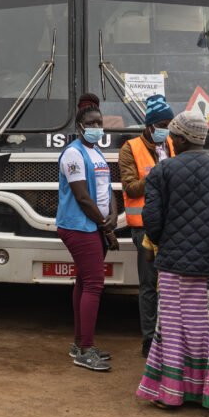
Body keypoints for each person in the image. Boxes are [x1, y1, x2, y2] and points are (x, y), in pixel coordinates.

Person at [135, 112, 209, 412]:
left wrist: (160, 244)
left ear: (182, 139)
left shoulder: (163, 171)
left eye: (173, 135)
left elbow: (152, 222)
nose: (170, 139)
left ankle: (171, 394)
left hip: (171, 268)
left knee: (172, 327)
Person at [56, 95, 118, 371]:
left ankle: (80, 343)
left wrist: (113, 215)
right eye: (91, 123)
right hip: (79, 226)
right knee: (94, 283)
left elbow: (107, 188)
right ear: (80, 126)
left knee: (83, 282)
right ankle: (86, 349)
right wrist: (106, 227)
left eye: (100, 122)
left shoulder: (96, 152)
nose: (97, 126)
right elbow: (82, 196)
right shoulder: (73, 153)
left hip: (96, 224)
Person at [119, 94, 176, 357]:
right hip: (143, 228)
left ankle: (170, 337)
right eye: (163, 124)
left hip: (172, 225)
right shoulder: (130, 148)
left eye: (169, 124)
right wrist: (157, 174)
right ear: (150, 125)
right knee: (149, 285)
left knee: (172, 285)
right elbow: (130, 187)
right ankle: (149, 339)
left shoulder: (171, 144)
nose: (166, 129)